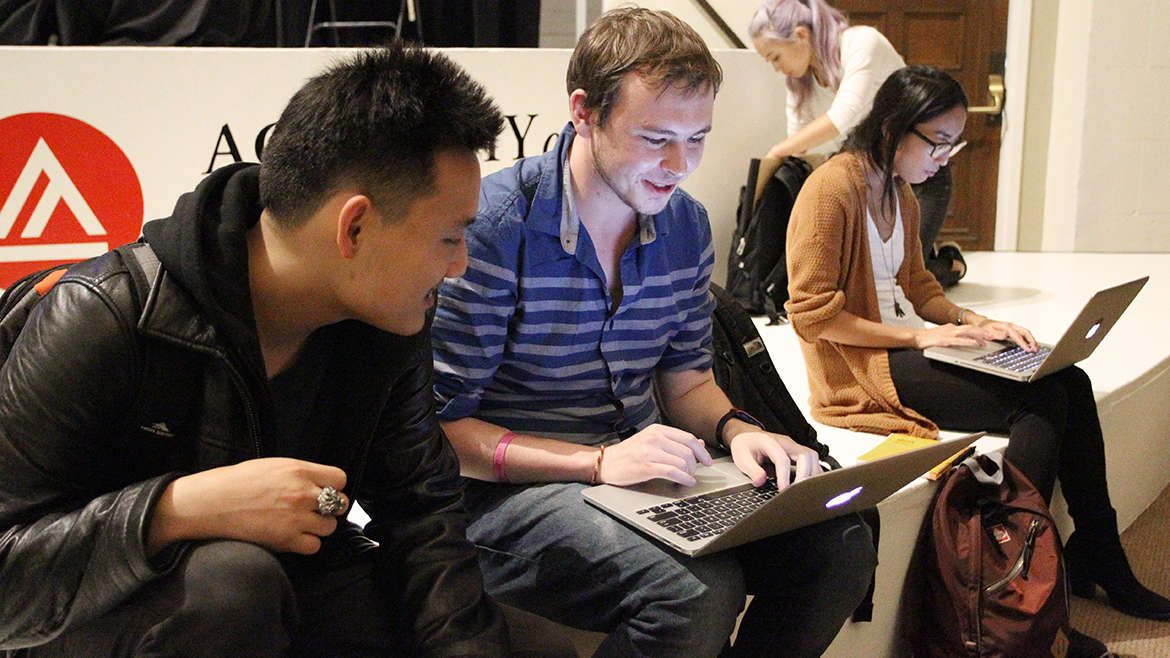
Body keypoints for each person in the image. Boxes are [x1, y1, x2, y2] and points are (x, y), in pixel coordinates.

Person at [0, 45, 513, 655]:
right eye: (449, 238)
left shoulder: (388, 320)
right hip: (100, 619)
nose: (459, 265)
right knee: (231, 584)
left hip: (273, 600)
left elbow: (422, 514)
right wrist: (174, 509)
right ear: (353, 227)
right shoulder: (107, 312)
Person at [431, 7, 876, 657]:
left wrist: (741, 432)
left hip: (643, 473)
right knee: (696, 591)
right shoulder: (497, 226)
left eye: (697, 139)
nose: (679, 163)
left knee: (837, 546)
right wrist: (601, 463)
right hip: (509, 493)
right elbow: (441, 429)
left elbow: (687, 380)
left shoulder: (684, 226)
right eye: (655, 138)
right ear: (583, 112)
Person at [784, 65, 1170, 656]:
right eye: (938, 142)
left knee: (1067, 377)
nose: (945, 157)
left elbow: (919, 285)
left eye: (952, 144)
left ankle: (1096, 551)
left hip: (902, 346)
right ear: (892, 129)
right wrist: (918, 340)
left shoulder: (900, 193)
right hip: (859, 373)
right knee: (1039, 397)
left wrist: (972, 323)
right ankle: (1010, 572)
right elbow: (811, 314)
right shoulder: (831, 189)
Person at [748, 0, 966, 288]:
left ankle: (951, 263)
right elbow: (802, 146)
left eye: (775, 57)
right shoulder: (800, 85)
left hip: (920, 179)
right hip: (871, 186)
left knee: (902, 280)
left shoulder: (862, 42)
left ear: (800, 36)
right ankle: (932, 256)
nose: (777, 68)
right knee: (865, 277)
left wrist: (777, 152)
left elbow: (843, 117)